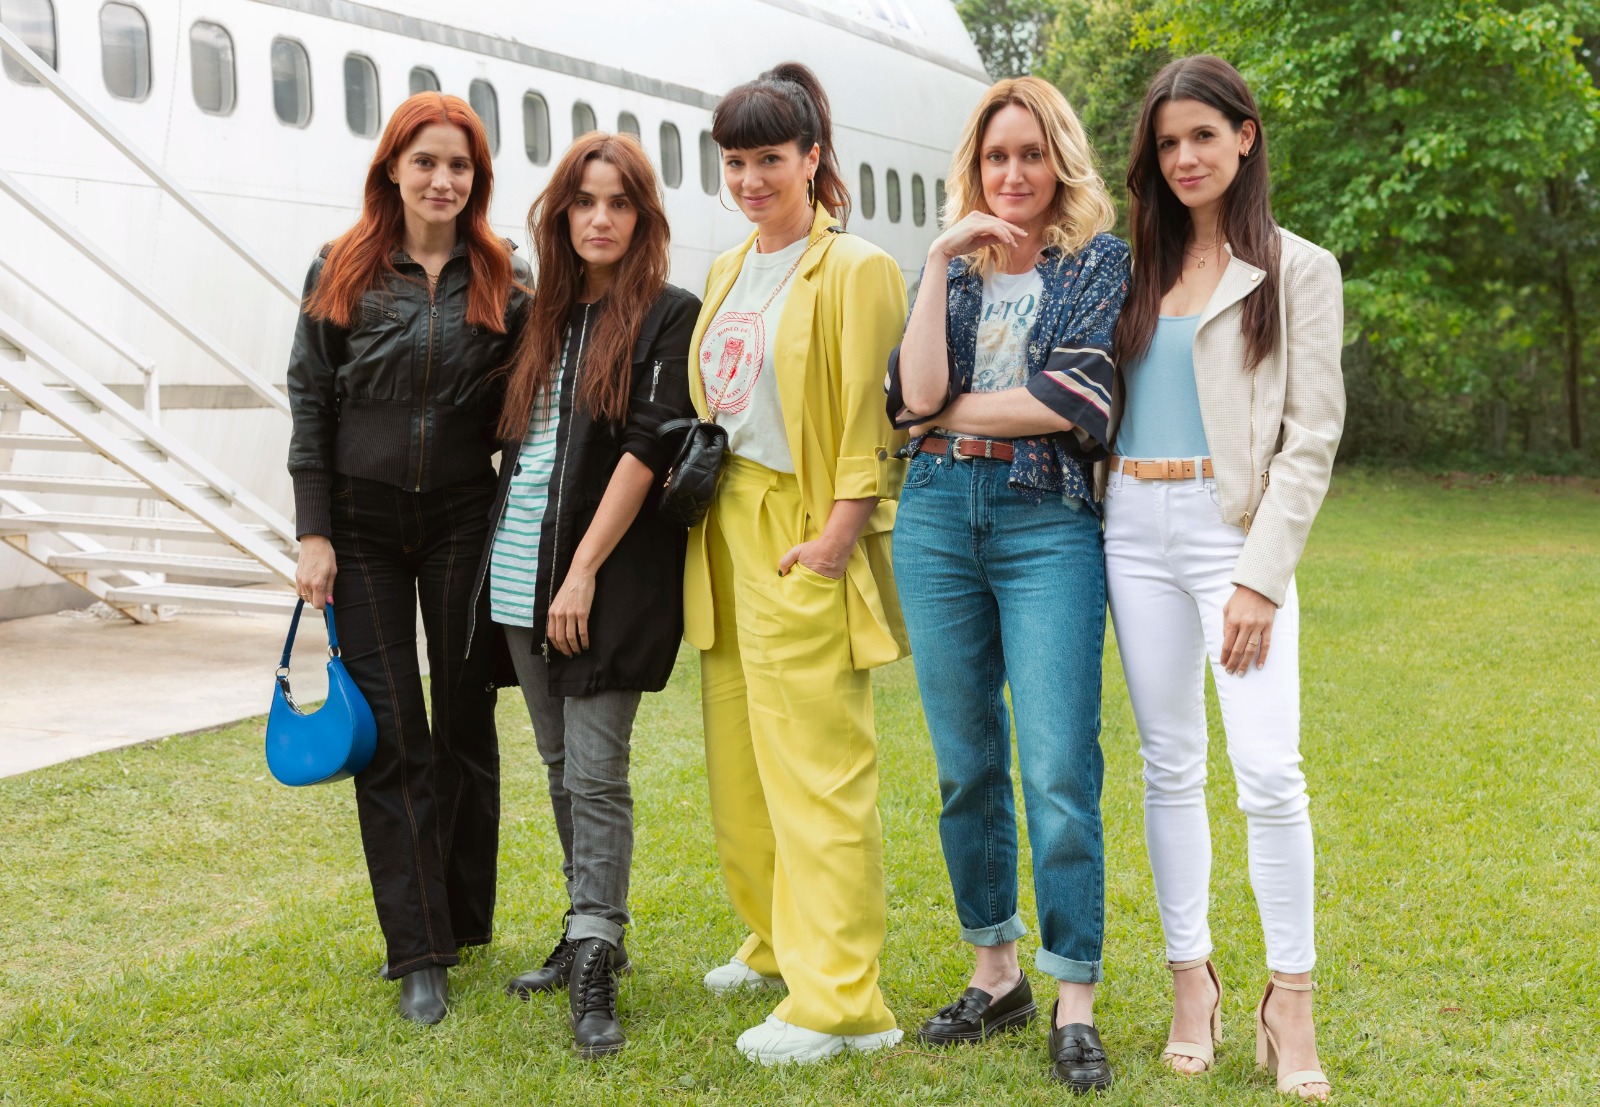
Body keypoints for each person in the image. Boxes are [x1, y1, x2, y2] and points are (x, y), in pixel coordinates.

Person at [1104, 55, 1343, 1101]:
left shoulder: (1299, 269)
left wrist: (1259, 577)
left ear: (1245, 136)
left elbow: (1311, 438)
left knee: (1268, 769)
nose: (1184, 157)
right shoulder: (1131, 268)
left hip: (1230, 531)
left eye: (1203, 134)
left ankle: (1289, 1000)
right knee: (1168, 764)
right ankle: (1189, 982)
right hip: (1129, 526)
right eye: (1167, 143)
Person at [886, 77, 1128, 1093]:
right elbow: (909, 395)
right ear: (975, 168)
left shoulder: (1099, 261)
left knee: (1059, 766)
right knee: (965, 765)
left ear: (1059, 159)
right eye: (996, 157)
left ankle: (1073, 996)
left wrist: (944, 414)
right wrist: (940, 261)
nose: (1013, 173)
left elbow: (1070, 399)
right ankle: (996, 975)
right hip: (936, 518)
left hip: (1044, 525)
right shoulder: (951, 269)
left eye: (1031, 153)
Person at [683, 61, 910, 1066]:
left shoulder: (856, 267)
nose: (750, 179)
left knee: (819, 771)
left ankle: (844, 1002)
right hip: (723, 529)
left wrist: (838, 535)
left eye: (769, 158)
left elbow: (871, 417)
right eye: (735, 162)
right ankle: (778, 941)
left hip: (802, 524)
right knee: (742, 766)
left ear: (812, 157)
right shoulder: (730, 269)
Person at [286, 92, 529, 1025]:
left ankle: (462, 917)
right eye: (425, 160)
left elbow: (525, 411)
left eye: (459, 165)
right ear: (392, 167)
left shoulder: (504, 278)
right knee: (393, 731)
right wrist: (314, 532)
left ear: (477, 179)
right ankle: (418, 949)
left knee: (465, 719)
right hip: (363, 526)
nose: (441, 179)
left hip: (465, 518)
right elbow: (311, 401)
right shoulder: (341, 267)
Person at [470, 132, 699, 1057]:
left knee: (598, 770)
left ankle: (598, 949)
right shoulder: (539, 319)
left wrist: (583, 570)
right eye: (584, 202)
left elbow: (648, 447)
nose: (600, 218)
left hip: (602, 580)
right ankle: (584, 925)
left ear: (642, 217)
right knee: (562, 765)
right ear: (561, 214)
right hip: (517, 574)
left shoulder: (668, 315)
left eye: (619, 203)